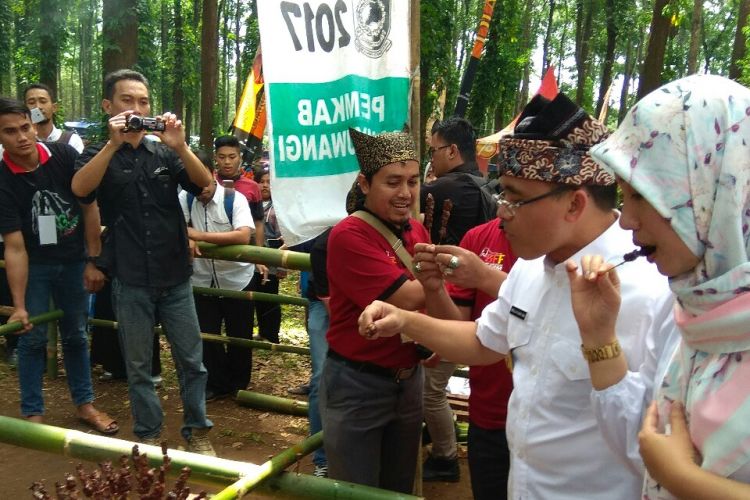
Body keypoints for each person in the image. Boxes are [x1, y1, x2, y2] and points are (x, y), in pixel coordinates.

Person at [358, 94, 674, 499]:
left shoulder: (652, 293)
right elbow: (483, 341)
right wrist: (404, 321)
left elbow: (663, 450)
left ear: (575, 203)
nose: (501, 212)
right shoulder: (530, 266)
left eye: (515, 198)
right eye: (501, 196)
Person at [566, 74, 750, 499]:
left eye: (643, 196)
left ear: (712, 193)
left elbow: (669, 465)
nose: (626, 220)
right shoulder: (702, 314)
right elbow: (648, 445)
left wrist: (687, 482)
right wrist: (598, 338)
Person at [71, 69, 215, 455]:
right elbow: (81, 190)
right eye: (127, 100)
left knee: (192, 361)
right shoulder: (97, 153)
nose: (136, 108)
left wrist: (181, 146)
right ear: (108, 106)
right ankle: (149, 435)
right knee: (139, 368)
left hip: (175, 275)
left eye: (144, 101)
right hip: (130, 277)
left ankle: (197, 431)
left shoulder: (166, 151)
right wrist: (112, 146)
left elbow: (204, 185)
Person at [321, 128, 430, 493]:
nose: (406, 193)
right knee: (357, 489)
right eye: (393, 182)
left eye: (413, 181)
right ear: (366, 184)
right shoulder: (350, 235)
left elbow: (428, 293)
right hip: (358, 384)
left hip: (408, 377)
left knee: (398, 487)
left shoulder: (417, 231)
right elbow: (413, 298)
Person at [0, 97, 117, 434]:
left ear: (34, 124)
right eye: (10, 132)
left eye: (25, 127)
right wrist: (19, 305)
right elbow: (15, 245)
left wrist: (93, 260)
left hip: (73, 259)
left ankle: (85, 405)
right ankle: (33, 415)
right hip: (35, 264)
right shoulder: (3, 180)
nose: (22, 136)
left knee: (77, 335)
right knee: (32, 339)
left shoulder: (64, 156)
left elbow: (89, 209)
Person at [422, 218, 517, 499]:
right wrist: (434, 289)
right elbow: (461, 327)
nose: (503, 205)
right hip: (489, 411)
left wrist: (486, 277)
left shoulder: (572, 251)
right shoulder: (480, 237)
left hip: (551, 425)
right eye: (505, 192)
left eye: (517, 196)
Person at [420, 116, 491, 482]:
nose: (430, 159)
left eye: (432, 151)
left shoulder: (443, 189)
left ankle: (445, 456)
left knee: (430, 388)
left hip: (449, 301)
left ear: (451, 150)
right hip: (479, 307)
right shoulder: (484, 189)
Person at [179, 152, 255, 401]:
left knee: (240, 335)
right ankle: (217, 383)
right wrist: (186, 235)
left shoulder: (235, 199)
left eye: (201, 182)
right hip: (201, 279)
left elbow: (243, 235)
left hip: (237, 278)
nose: (198, 189)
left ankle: (239, 384)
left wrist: (197, 236)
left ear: (211, 175)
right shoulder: (185, 198)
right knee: (207, 334)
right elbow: (177, 227)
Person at [250, 167, 285, 344]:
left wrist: (281, 265)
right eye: (261, 182)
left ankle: (271, 334)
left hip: (271, 258)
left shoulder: (277, 208)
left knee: (270, 297)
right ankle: (262, 331)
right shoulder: (250, 204)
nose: (264, 186)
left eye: (268, 182)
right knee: (256, 296)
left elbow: (283, 237)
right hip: (252, 259)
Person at [214, 135, 265, 248]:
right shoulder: (209, 183)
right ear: (215, 158)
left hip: (244, 248)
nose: (227, 162)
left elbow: (258, 222)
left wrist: (259, 254)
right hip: (212, 246)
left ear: (240, 158)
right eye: (222, 157)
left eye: (232, 157)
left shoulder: (252, 187)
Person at [23, 83, 85, 153]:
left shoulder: (71, 140)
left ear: (54, 108)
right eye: (31, 103)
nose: (37, 107)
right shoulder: (23, 142)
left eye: (43, 101)